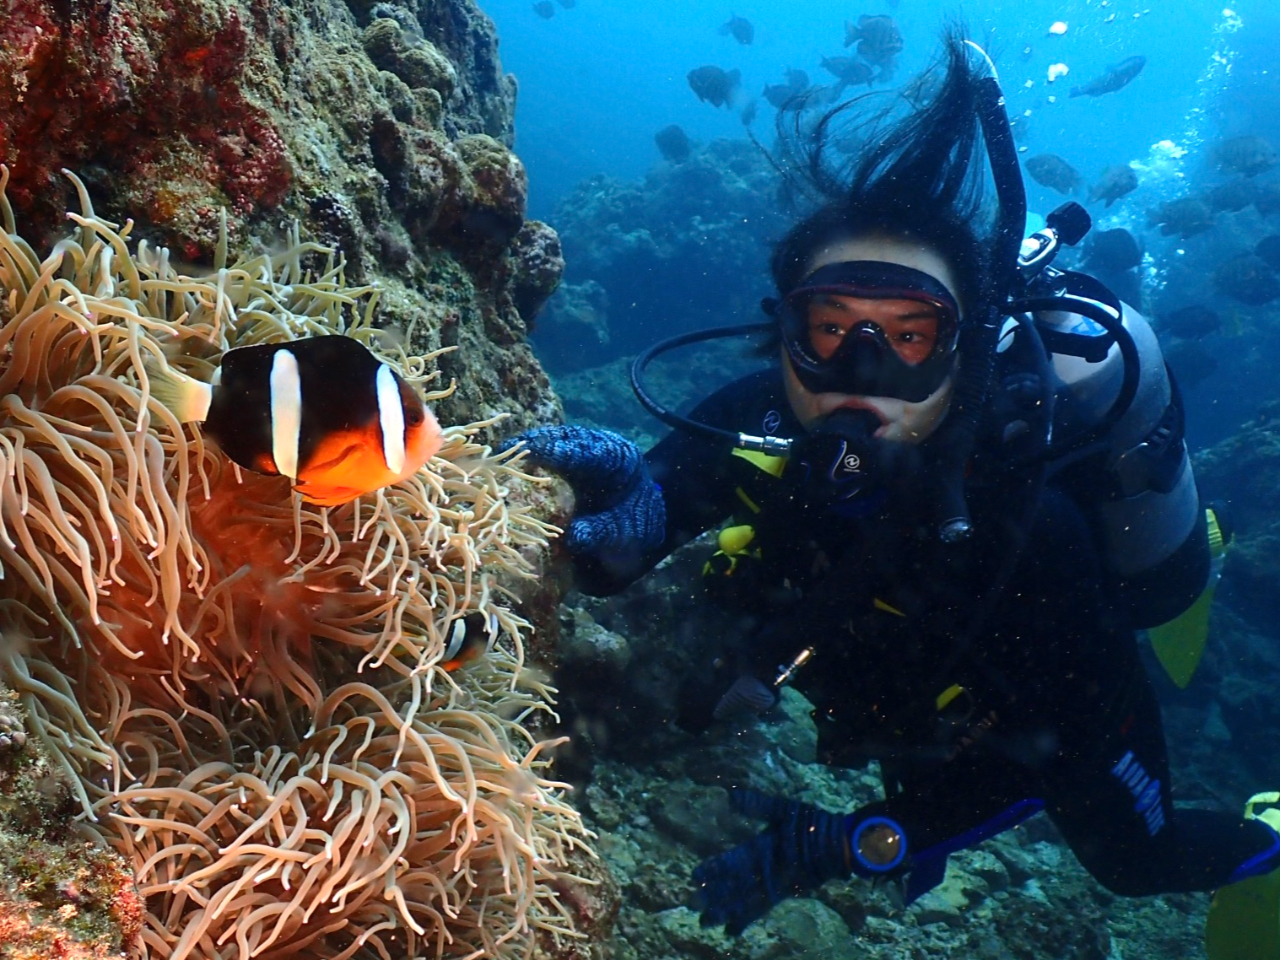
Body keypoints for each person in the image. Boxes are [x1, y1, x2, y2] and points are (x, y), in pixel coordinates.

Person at [506, 31, 1280, 950]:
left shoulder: (1033, 527)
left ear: (963, 351)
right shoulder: (761, 413)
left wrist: (852, 844)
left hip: (1034, 715)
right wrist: (631, 505)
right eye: (831, 328)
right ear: (783, 335)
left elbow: (1035, 763)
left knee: (1132, 864)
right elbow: (649, 518)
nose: (859, 371)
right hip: (893, 698)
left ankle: (1270, 828)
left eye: (909, 336)